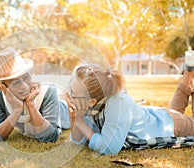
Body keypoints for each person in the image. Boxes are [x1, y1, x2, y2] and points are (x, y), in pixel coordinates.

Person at [66, 50, 194, 155]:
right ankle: (188, 74)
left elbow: (109, 148)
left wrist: (80, 122)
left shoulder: (118, 104)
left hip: (169, 125)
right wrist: (75, 118)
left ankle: (188, 75)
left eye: (72, 92)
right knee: (176, 111)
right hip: (158, 115)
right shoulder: (92, 103)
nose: (68, 94)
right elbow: (79, 142)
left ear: (91, 101)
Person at [0, 47, 70, 142]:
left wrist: (31, 104)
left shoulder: (49, 91)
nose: (24, 86)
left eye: (26, 77)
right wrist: (17, 110)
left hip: (63, 110)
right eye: (16, 83)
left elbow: (50, 137)